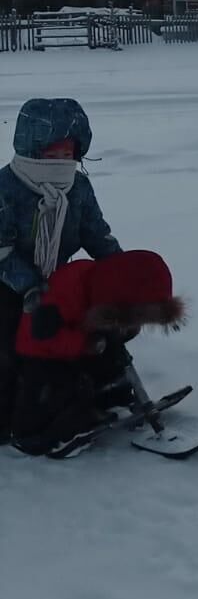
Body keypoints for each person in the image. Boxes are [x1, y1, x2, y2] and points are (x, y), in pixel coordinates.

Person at [0, 98, 122, 443]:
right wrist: (30, 289)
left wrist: (120, 271)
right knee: (11, 345)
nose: (60, 163)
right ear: (32, 151)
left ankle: (105, 388)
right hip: (7, 285)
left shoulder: (78, 188)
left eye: (67, 155)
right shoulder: (6, 188)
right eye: (52, 155)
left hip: (58, 280)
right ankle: (17, 414)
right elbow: (2, 250)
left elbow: (95, 233)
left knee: (95, 325)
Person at [12, 250, 185, 457]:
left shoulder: (103, 287)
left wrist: (119, 331)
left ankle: (114, 400)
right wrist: (84, 344)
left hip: (82, 337)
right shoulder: (65, 293)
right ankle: (62, 429)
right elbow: (41, 337)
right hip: (41, 353)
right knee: (62, 390)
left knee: (112, 362)